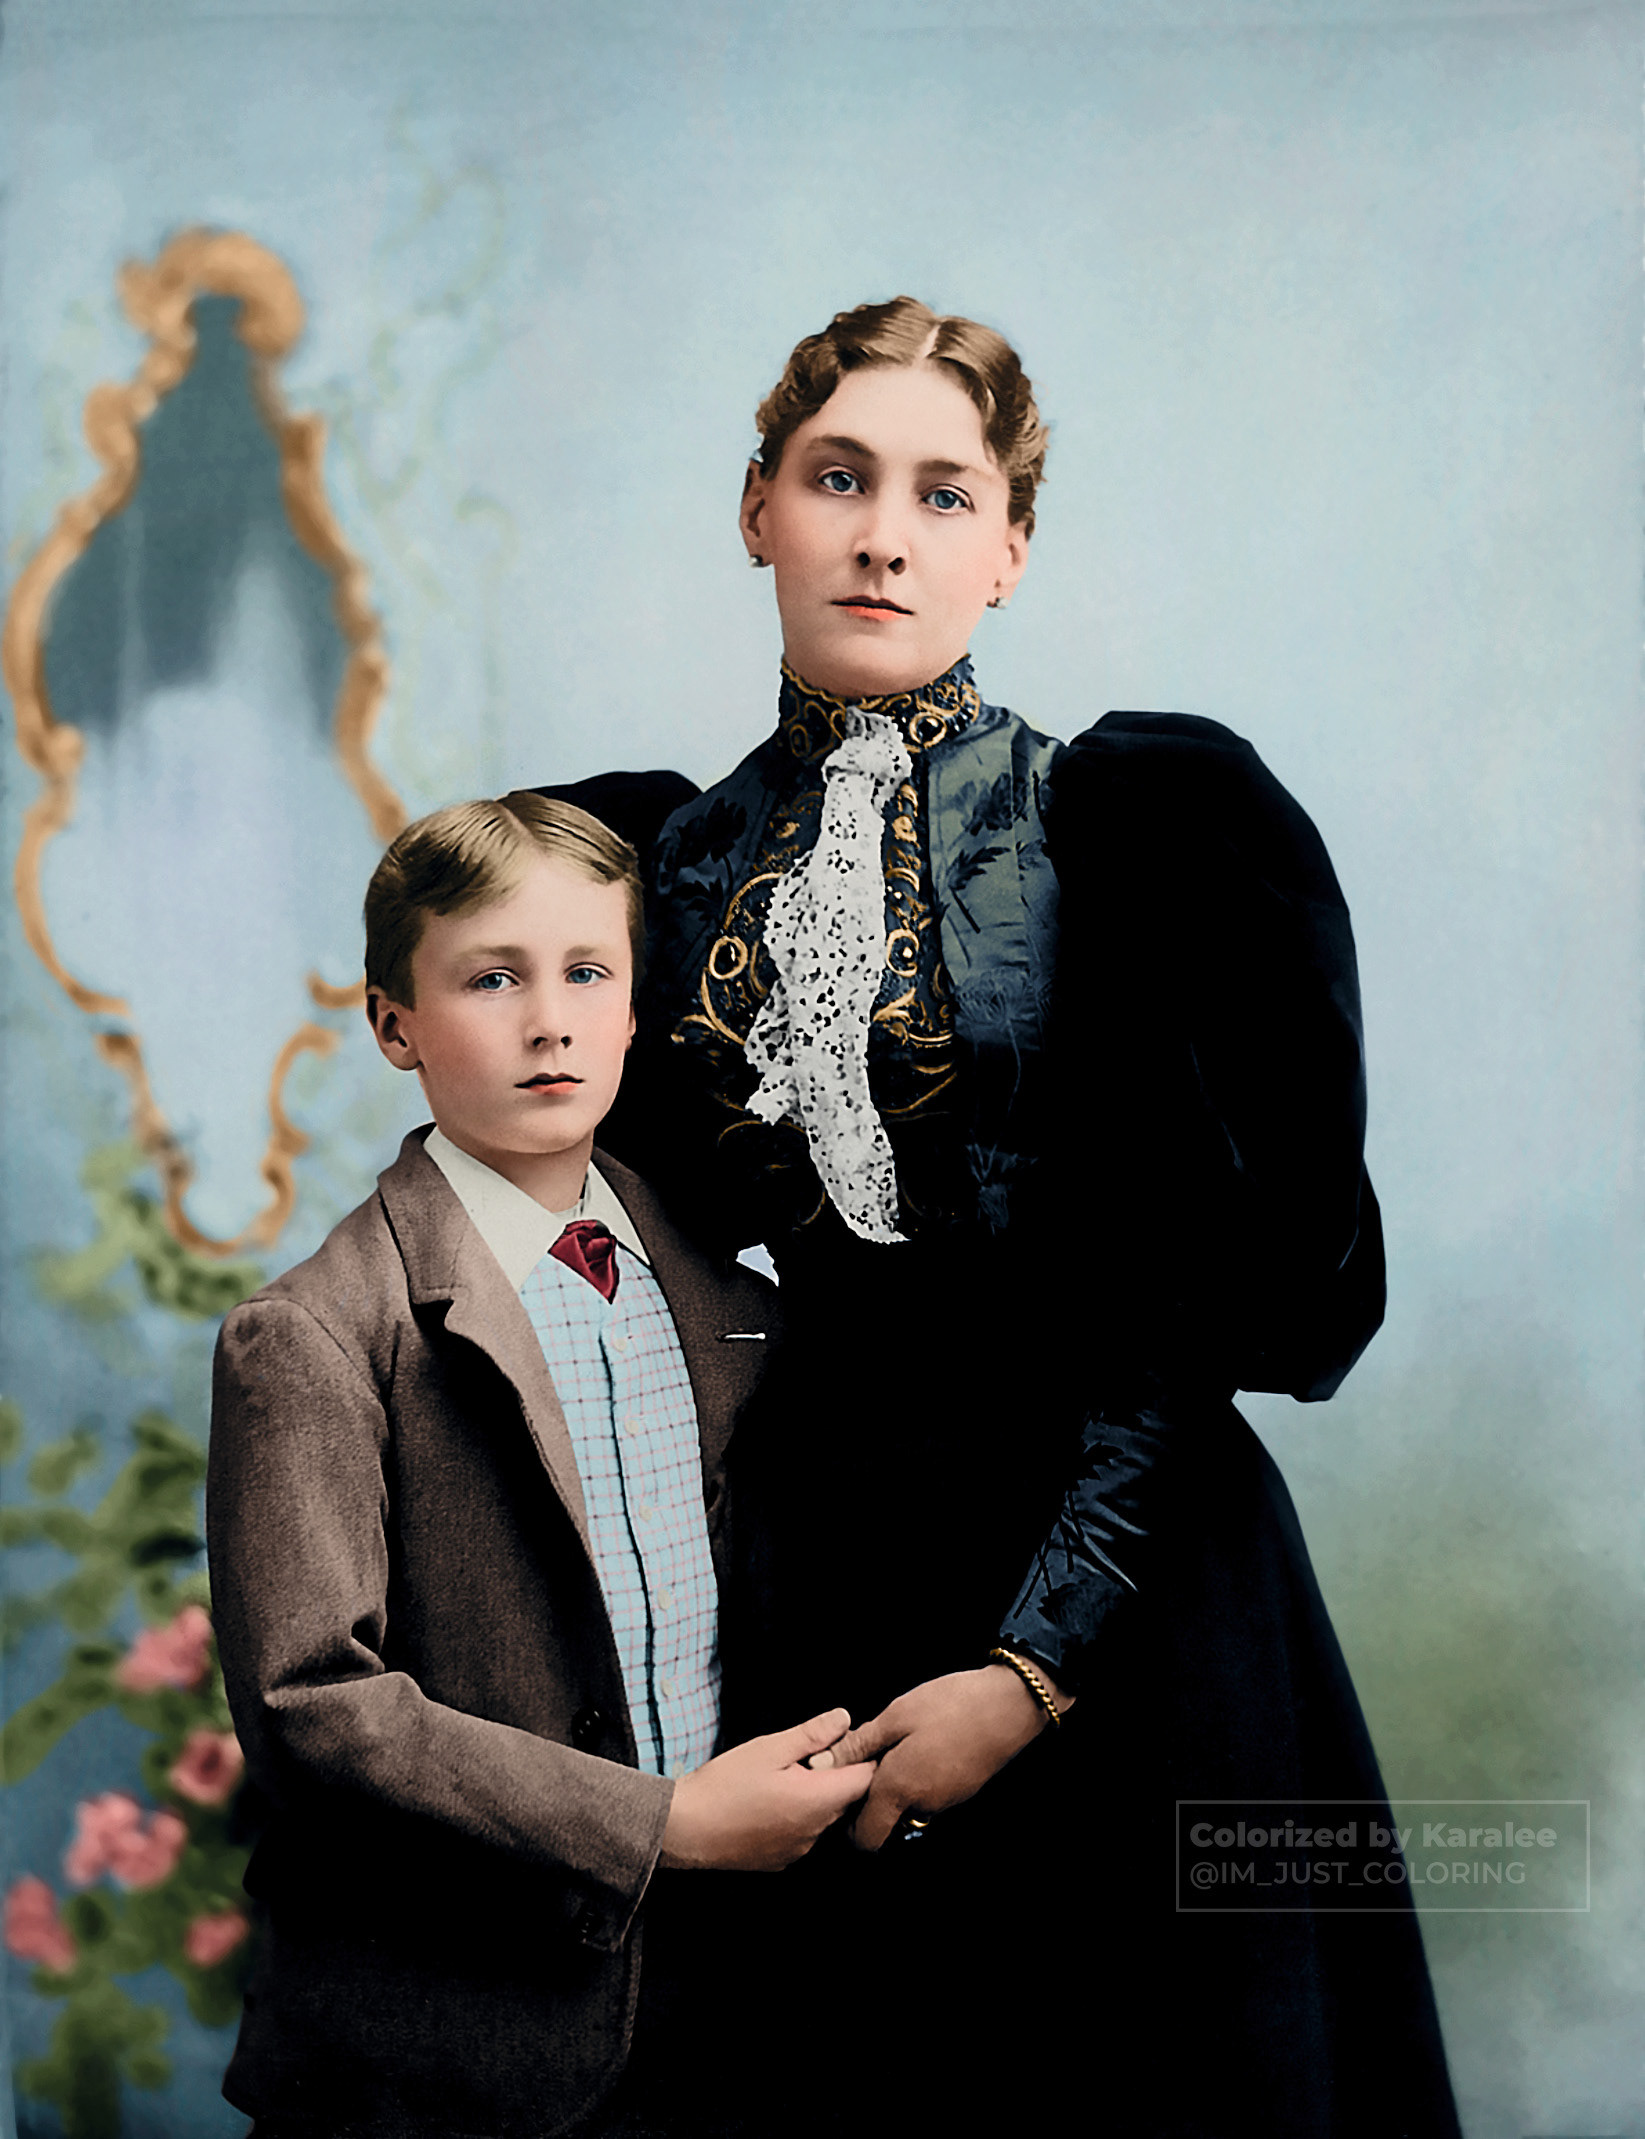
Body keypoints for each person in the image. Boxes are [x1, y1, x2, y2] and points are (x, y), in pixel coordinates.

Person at [579, 298, 1464, 2136]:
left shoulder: (1129, 822)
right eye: (837, 479)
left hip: (1122, 1561)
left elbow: (1203, 1304)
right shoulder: (654, 872)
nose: (881, 534)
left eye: (940, 491)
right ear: (759, 511)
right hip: (818, 1576)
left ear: (1009, 550)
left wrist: (1030, 1667)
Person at [206, 793, 873, 2139]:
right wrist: (660, 1827)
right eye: (489, 978)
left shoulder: (735, 1303)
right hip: (450, 2045)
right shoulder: (320, 1335)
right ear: (394, 1023)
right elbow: (313, 1708)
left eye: (586, 972)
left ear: (637, 1008)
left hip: (727, 2005)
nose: (549, 1020)